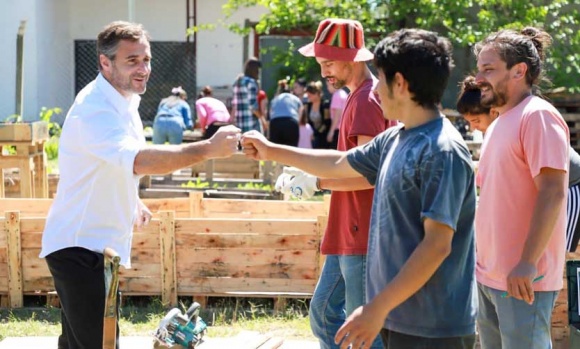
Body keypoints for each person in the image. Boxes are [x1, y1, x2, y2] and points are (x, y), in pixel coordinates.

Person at [243, 27, 477, 349]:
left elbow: (437, 245)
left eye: (380, 79)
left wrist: (375, 308)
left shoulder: (442, 151)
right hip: (401, 319)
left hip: (434, 328)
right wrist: (271, 150)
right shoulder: (395, 138)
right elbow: (340, 163)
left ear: (401, 83)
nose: (375, 89)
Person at [38, 21, 240, 349]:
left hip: (96, 249)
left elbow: (109, 165)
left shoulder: (125, 100)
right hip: (79, 248)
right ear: (105, 63)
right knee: (101, 345)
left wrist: (132, 199)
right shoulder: (95, 109)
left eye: (146, 59)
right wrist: (206, 149)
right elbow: (138, 160)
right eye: (132, 60)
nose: (143, 68)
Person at [274, 18, 395, 349]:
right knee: (324, 314)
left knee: (361, 329)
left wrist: (316, 181)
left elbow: (367, 173)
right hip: (348, 226)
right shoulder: (360, 96)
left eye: (328, 62)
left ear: (352, 57)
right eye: (321, 62)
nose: (324, 70)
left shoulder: (367, 99)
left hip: (362, 228)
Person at [473, 27, 569, 349]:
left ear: (519, 71)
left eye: (489, 69)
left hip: (523, 278)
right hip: (490, 276)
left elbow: (553, 191)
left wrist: (528, 261)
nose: (479, 78)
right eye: (479, 69)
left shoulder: (538, 116)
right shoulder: (499, 121)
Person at [456, 76, 580, 253]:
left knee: (559, 254)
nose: (474, 128)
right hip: (543, 193)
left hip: (570, 188)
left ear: (493, 111)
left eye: (476, 121)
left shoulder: (527, 120)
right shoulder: (495, 131)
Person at [231, 57, 264, 133]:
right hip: (251, 124)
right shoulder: (251, 83)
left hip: (239, 124)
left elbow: (234, 105)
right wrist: (262, 119)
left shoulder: (237, 82)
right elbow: (253, 106)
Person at [269, 79, 303, 146]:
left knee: (275, 149)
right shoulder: (295, 98)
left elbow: (271, 113)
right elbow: (301, 111)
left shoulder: (275, 99)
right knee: (292, 149)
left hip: (275, 123)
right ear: (291, 91)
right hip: (291, 122)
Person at [304, 81, 332, 149]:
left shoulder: (325, 104)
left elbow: (326, 122)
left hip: (323, 135)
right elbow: (307, 121)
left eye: (310, 95)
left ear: (316, 94)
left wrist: (316, 134)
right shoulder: (307, 105)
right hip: (311, 135)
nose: (308, 97)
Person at [326, 81, 348, 149]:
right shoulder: (344, 93)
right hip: (345, 129)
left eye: (328, 85)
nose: (327, 88)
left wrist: (331, 131)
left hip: (338, 130)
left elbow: (337, 115)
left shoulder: (336, 95)